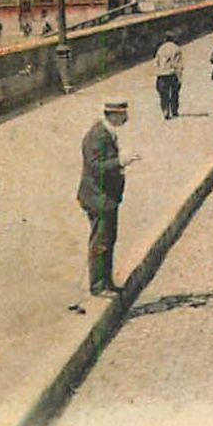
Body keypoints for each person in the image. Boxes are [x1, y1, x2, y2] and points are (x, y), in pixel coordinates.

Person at [76, 100, 135, 296]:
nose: (126, 118)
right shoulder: (98, 136)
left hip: (106, 197)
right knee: (100, 241)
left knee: (108, 239)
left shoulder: (106, 132)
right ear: (113, 114)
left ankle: (106, 282)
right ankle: (98, 285)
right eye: (123, 114)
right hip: (98, 197)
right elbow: (95, 167)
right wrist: (120, 161)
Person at [153, 33, 184, 120]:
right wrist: (180, 76)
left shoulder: (160, 49)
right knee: (174, 93)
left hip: (162, 74)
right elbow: (177, 64)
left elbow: (156, 62)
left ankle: (165, 110)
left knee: (163, 94)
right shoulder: (176, 48)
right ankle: (174, 110)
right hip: (172, 73)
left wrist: (158, 72)